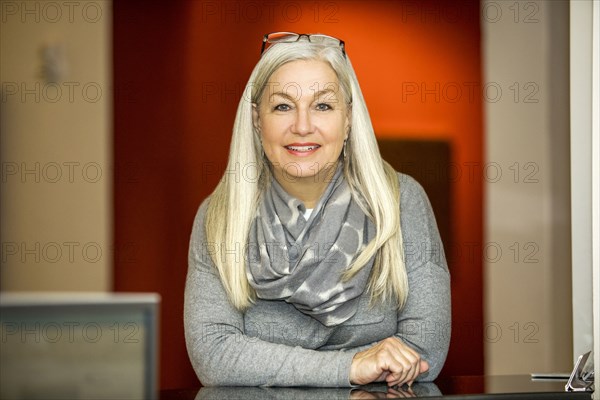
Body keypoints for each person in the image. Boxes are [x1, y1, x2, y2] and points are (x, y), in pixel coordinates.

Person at [184, 32, 450, 387]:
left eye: (323, 105)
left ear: (349, 117)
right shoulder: (221, 216)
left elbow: (423, 352)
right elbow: (214, 356)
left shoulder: (401, 202)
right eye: (282, 106)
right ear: (256, 119)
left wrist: (257, 360)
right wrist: (351, 367)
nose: (303, 126)